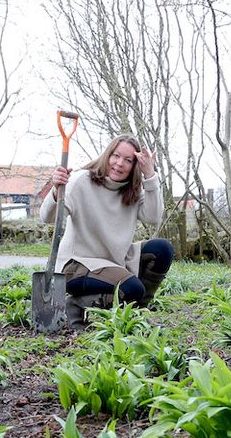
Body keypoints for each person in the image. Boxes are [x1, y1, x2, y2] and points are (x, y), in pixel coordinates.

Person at [39, 134, 174, 328]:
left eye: (128, 160)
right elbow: (48, 217)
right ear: (107, 155)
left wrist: (150, 176)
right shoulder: (80, 181)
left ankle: (137, 312)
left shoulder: (133, 190)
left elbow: (153, 217)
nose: (120, 164)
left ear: (135, 165)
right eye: (116, 156)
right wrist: (55, 190)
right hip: (77, 266)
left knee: (162, 249)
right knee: (132, 288)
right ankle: (76, 306)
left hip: (113, 263)